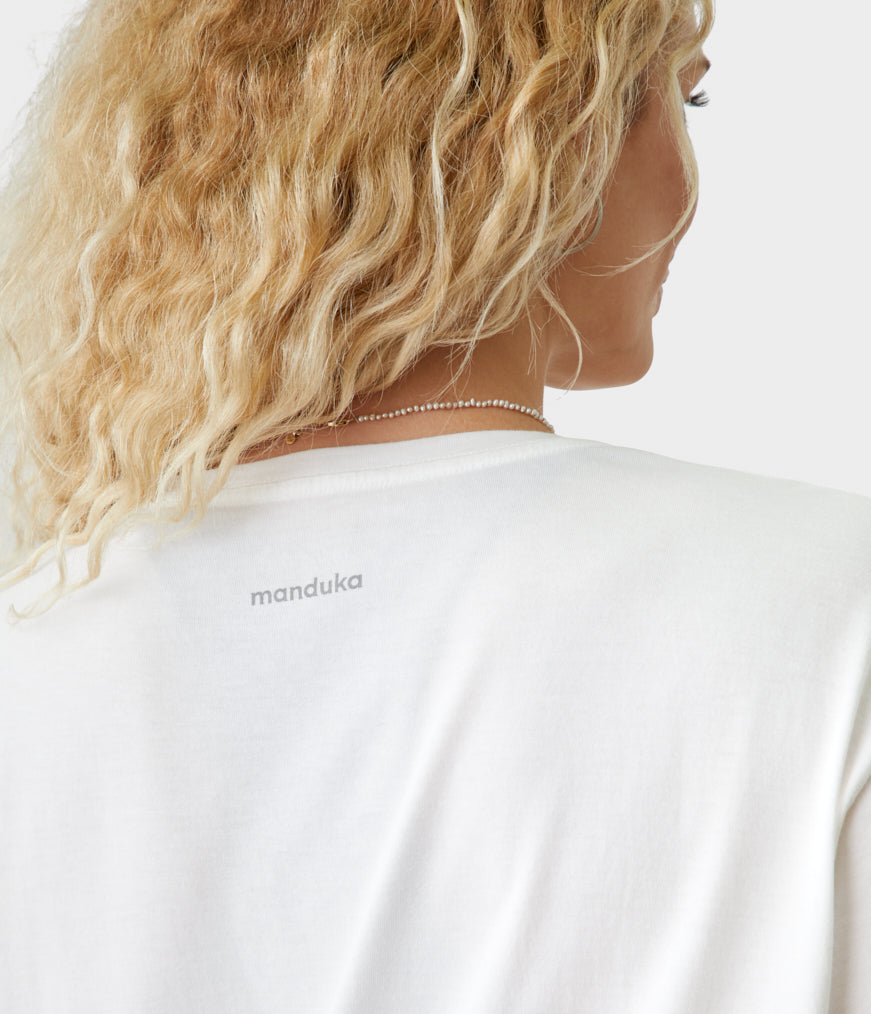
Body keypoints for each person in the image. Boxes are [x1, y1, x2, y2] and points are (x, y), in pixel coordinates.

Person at [0, 1, 868, 1011]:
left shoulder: (37, 643)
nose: (690, 183)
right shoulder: (832, 599)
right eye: (683, 99)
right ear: (550, 137)